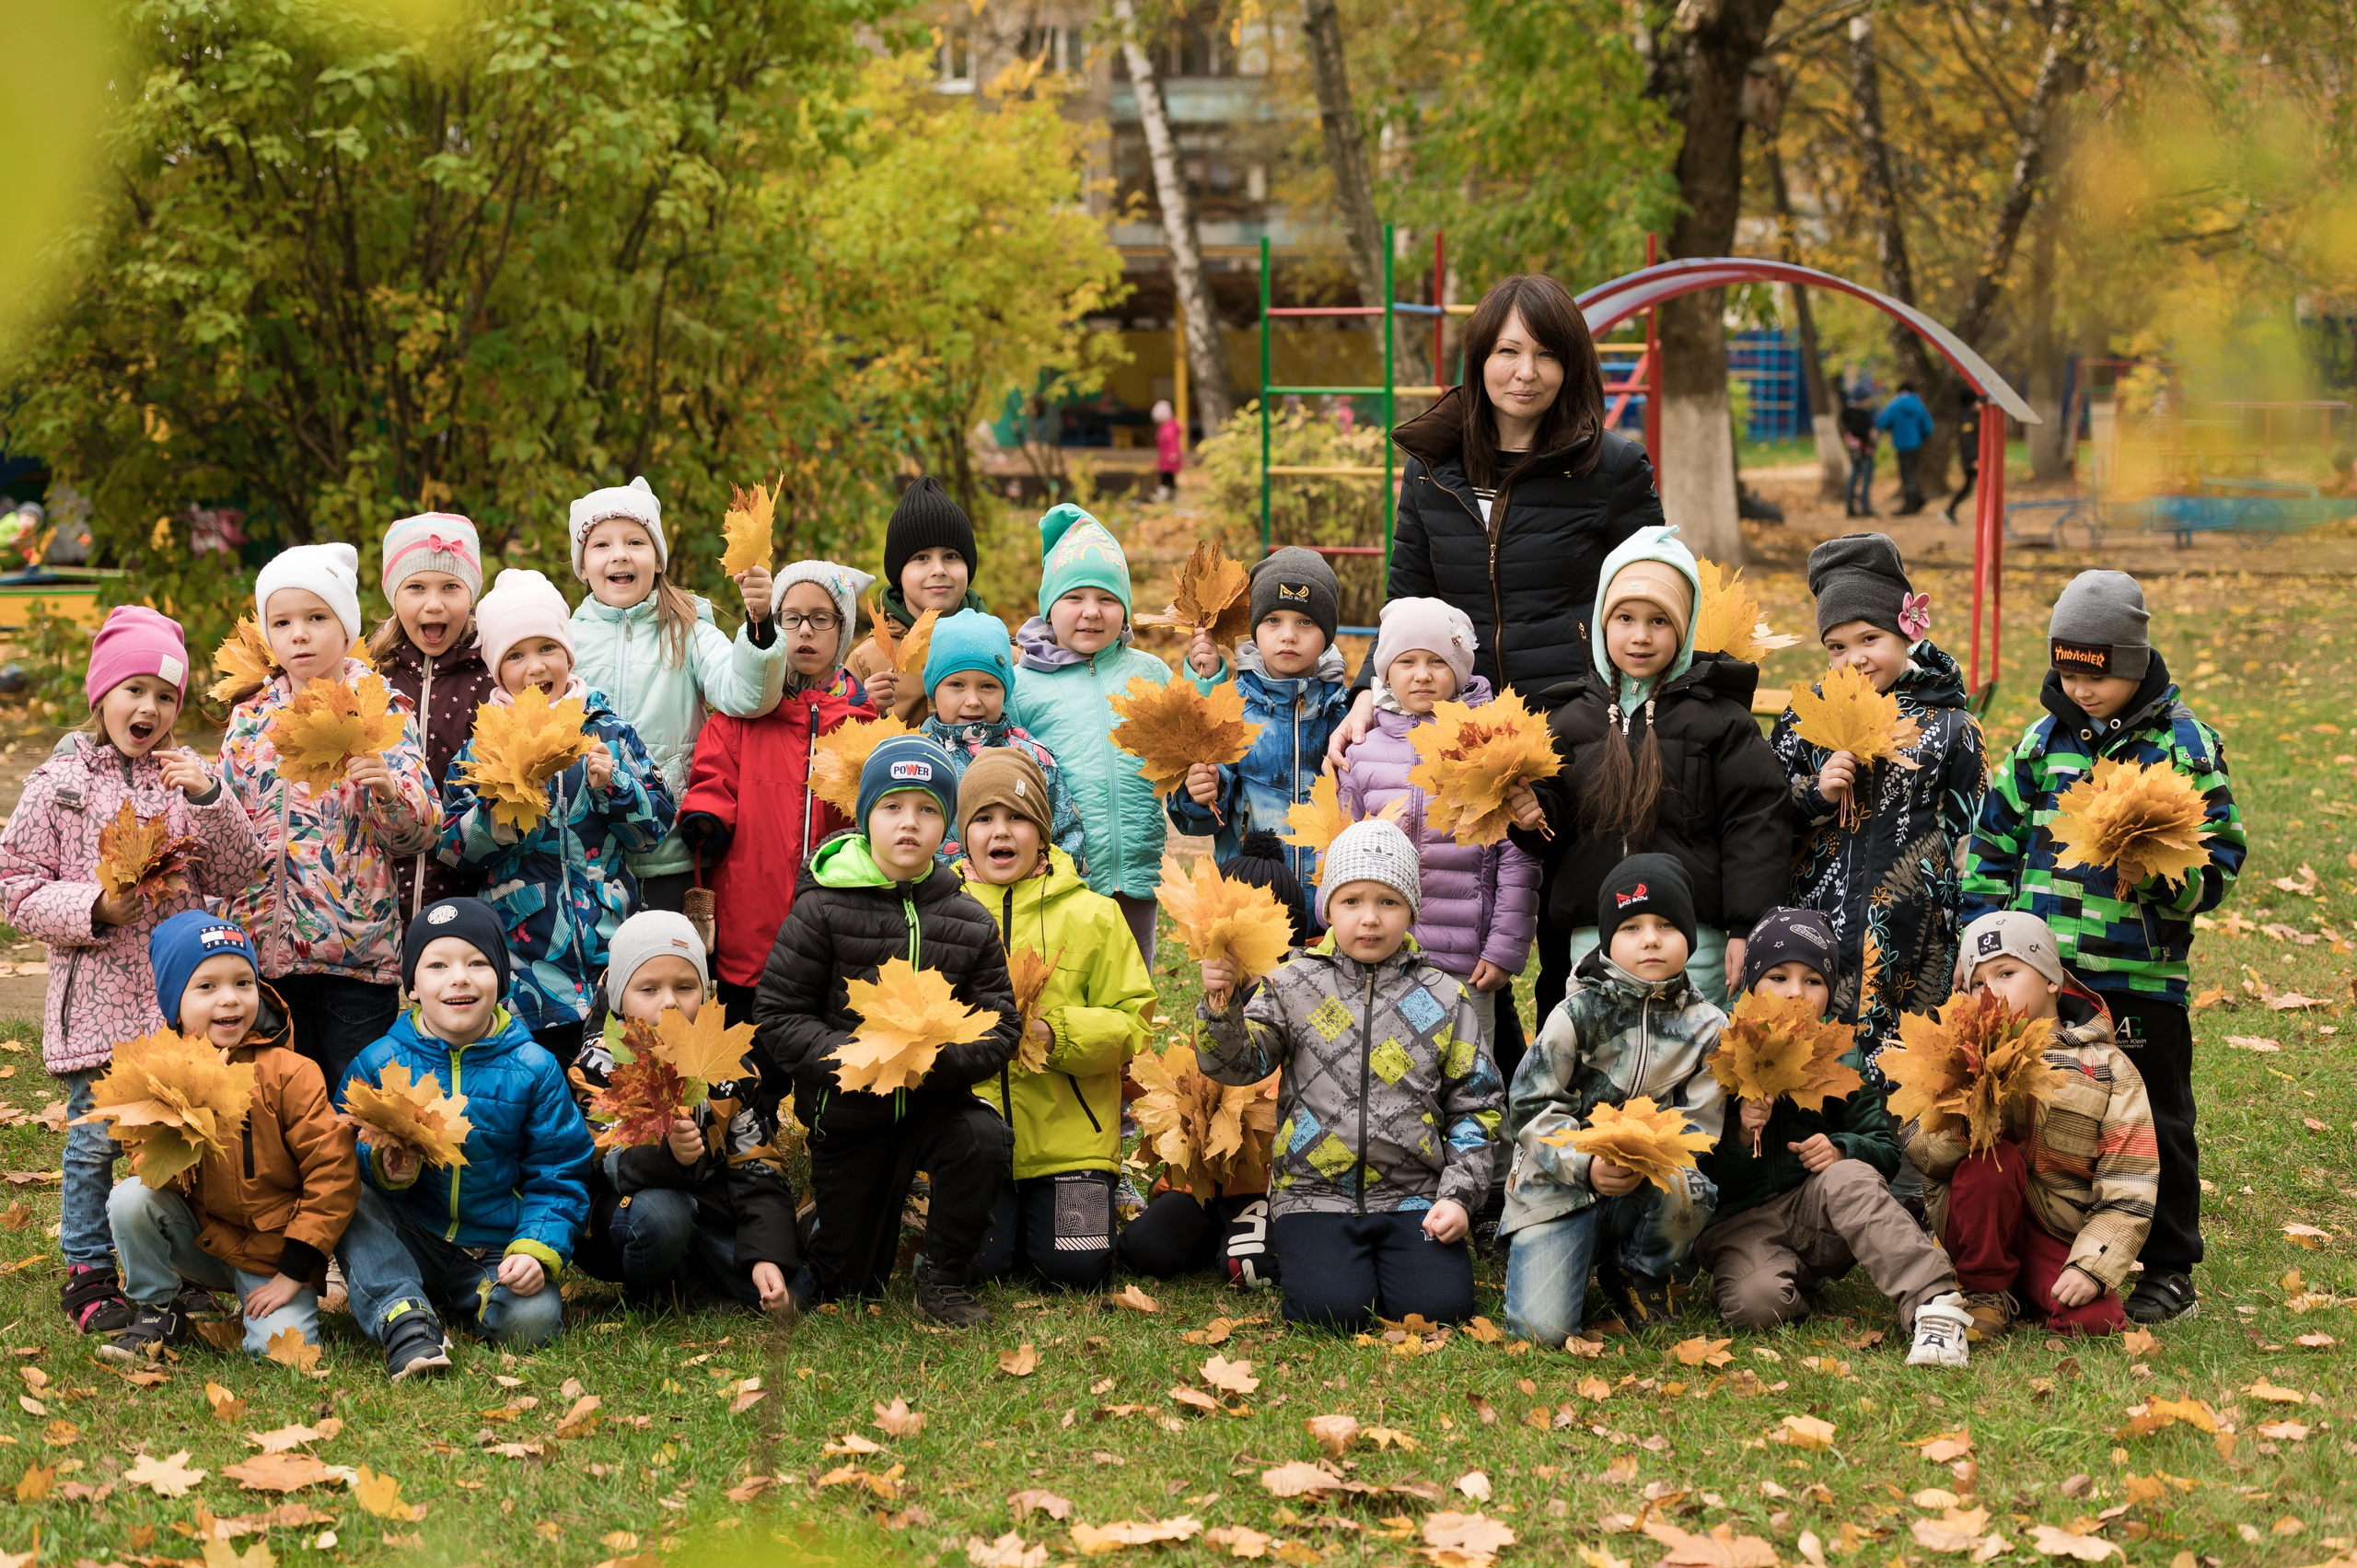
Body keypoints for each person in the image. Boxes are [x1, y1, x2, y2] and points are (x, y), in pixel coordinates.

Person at [1327, 274, 1666, 1074]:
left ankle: (1564, 1098)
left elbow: (1651, 587)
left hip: (1572, 726)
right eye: (1508, 351)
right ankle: (1482, 1090)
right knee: (1460, 920)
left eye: (1546, 354)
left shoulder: (1611, 468)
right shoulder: (1433, 466)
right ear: (1479, 359)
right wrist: (1368, 697)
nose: (1525, 371)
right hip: (1453, 732)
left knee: (1561, 921)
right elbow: (1406, 597)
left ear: (1572, 365)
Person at [1958, 571, 2243, 1325]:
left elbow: (2220, 861)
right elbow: (1993, 839)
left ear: (2133, 661)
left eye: (2098, 672)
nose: (2081, 687)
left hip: (2139, 976)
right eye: (2067, 670)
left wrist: (2159, 879)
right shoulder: (2040, 742)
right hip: (2048, 974)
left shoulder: (2184, 744)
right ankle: (2050, 1241)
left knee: (2155, 1117)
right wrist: (1983, 931)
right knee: (2049, 1110)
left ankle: (2170, 1262)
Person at [0, 607, 265, 1336]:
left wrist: (212, 799)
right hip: (96, 1007)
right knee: (93, 1144)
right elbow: (13, 881)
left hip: (177, 1008)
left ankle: (177, 1264)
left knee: (180, 1142)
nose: (146, 707)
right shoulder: (59, 783)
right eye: (133, 689)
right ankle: (87, 1271)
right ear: (101, 693)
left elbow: (241, 869)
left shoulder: (187, 782)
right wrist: (93, 906)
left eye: (164, 695)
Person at [752, 736, 1021, 1326]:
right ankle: (825, 1223)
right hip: (851, 1115)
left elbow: (1001, 1022)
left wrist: (939, 1061)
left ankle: (945, 1276)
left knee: (983, 1138)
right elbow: (778, 1014)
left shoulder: (968, 917)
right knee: (848, 1285)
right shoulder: (823, 907)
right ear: (866, 815)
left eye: (927, 810)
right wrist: (858, 1058)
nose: (909, 823)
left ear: (945, 826)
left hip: (934, 1104)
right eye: (892, 807)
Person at [1196, 818, 1503, 1330]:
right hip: (1314, 1193)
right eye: (1352, 901)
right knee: (1327, 1312)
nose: (1369, 919)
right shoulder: (1292, 984)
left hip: (1413, 1195)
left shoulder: (1445, 996)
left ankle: (1399, 1262)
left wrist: (1458, 1197)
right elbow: (1237, 1064)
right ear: (1328, 908)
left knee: (1441, 1311)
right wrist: (1221, 1005)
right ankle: (1311, 1255)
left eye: (1388, 902)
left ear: (1411, 910)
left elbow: (1477, 1105)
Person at [1504, 526, 1789, 1010]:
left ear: (1685, 627)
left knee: (1691, 1059)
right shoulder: (1569, 720)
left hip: (1692, 940)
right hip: (1597, 935)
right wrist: (1533, 816)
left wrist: (1746, 925)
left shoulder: (1719, 720)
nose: (1640, 636)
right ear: (1601, 622)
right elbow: (1556, 823)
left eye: (1659, 621)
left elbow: (1755, 821)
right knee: (1600, 1060)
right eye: (1625, 618)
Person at [1692, 910, 1974, 1367]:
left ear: (1830, 990)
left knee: (1850, 1178)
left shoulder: (1839, 1053)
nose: (1795, 993)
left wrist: (1842, 1147)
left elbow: (1883, 1150)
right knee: (1757, 1306)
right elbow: (1696, 1170)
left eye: (1813, 981)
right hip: (1735, 1223)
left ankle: (1933, 1303)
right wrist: (1742, 1131)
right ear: (1749, 982)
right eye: (1778, 977)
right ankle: (1775, 1278)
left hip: (1814, 1206)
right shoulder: (1716, 1045)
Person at [337, 899, 595, 1374]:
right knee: (348, 1196)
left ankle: (476, 1298)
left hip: (492, 1248)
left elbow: (559, 1172)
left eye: (477, 963)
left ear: (500, 978)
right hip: (409, 1233)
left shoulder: (534, 1068)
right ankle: (404, 1313)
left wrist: (536, 1249)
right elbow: (342, 1148)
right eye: (437, 965)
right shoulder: (378, 1063)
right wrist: (382, 1166)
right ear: (412, 985)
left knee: (533, 1320)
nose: (459, 978)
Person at [218, 543, 441, 1094]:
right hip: (266, 952)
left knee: (354, 1099)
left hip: (354, 953)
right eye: (283, 621)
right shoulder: (249, 719)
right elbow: (226, 827)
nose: (300, 634)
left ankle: (362, 1183)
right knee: (277, 1102)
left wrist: (388, 792)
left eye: (317, 618)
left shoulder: (381, 709)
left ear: (346, 629)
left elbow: (423, 831)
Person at [438, 569, 674, 1068]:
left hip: (610, 955)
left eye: (547, 648)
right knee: (542, 1088)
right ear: (497, 669)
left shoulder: (608, 731)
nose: (535, 666)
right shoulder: (482, 747)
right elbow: (454, 850)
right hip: (528, 965)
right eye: (516, 655)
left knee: (614, 1096)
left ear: (568, 654)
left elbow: (654, 829)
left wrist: (614, 787)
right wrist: (500, 814)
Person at [98, 913, 357, 1365]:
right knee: (129, 1200)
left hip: (273, 1255)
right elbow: (145, 1164)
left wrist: (293, 1272)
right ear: (174, 1003)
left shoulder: (291, 1072)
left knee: (282, 1356)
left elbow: (332, 1171)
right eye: (207, 987)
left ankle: (270, 1303)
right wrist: (167, 1144)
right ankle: (159, 1307)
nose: (230, 999)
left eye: (243, 982)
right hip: (205, 1240)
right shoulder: (159, 1075)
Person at [1769, 536, 1984, 1063]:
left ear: (1906, 632)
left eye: (1870, 638)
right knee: (1821, 1062)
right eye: (1837, 648)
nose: (1855, 659)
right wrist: (1815, 794)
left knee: (1910, 1061)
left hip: (1917, 936)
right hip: (1816, 929)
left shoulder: (1952, 729)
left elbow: (1973, 839)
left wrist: (1971, 930)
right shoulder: (1803, 723)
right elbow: (1764, 817)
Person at [1499, 855, 1725, 1346]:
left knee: (1691, 1188)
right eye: (1631, 926)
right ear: (1606, 939)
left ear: (1690, 934)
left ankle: (1638, 1270)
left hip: (1648, 1180)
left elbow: (1700, 1125)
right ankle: (1556, 1249)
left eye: (1667, 924)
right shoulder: (1575, 1014)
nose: (1650, 938)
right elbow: (1530, 1105)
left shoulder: (1708, 1028)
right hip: (1558, 1183)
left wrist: (1644, 1158)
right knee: (1542, 1331)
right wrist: (1586, 1162)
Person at [1905, 913, 2155, 1340]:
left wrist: (2092, 1268)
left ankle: (2026, 1288)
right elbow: (1919, 1149)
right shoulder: (1953, 1056)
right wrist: (1968, 1129)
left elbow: (2131, 1179)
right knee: (1994, 1160)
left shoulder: (2108, 1067)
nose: (1993, 992)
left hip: (2055, 1229)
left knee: (2096, 1322)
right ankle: (1985, 1290)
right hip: (1974, 1222)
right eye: (1978, 984)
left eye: (2007, 972)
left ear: (2052, 979)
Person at [959, 750, 1154, 1291]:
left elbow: (1133, 1023)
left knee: (1077, 1272)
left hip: (1075, 1143)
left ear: (1042, 832)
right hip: (977, 1146)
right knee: (980, 1268)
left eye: (1017, 817)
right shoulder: (942, 912)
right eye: (984, 818)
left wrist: (1056, 1034)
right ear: (964, 833)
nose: (1002, 831)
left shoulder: (1095, 914)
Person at [567, 475, 784, 912]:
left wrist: (760, 627)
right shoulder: (565, 639)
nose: (620, 554)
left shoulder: (688, 631)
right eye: (602, 545)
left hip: (669, 851)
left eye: (635, 542)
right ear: (583, 565)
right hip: (587, 852)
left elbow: (746, 694)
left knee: (665, 975)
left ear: (659, 559)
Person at [678, 561, 877, 1020]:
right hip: (750, 918)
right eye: (791, 618)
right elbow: (713, 770)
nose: (805, 631)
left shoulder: (862, 726)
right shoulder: (741, 716)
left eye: (821, 618)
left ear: (842, 630)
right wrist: (706, 812)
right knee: (747, 1054)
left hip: (833, 925)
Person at [1337, 597, 1538, 1050]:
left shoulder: (1489, 749)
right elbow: (1337, 847)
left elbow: (1517, 859)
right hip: (1381, 953)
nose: (1422, 674)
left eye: (1437, 661)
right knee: (1393, 1069)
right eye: (1406, 661)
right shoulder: (1361, 750)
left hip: (1465, 959)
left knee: (1469, 1069)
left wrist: (1504, 947)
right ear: (1386, 672)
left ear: (1461, 670)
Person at [571, 912, 796, 1313]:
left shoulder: (732, 1070)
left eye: (685, 986)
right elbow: (599, 1159)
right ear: (621, 996)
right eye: (648, 988)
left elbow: (756, 1164)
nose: (670, 1001)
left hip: (705, 1207)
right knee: (663, 1214)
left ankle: (698, 1280)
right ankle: (659, 1290)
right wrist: (667, 1154)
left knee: (795, 1289)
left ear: (705, 993)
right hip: (622, 1214)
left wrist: (767, 1255)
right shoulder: (600, 1066)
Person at [1117, 831, 1296, 1289]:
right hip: (1201, 1182)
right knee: (1142, 1251)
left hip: (1260, 1184)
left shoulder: (1295, 1005)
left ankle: (1246, 1235)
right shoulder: (1213, 1002)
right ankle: (1208, 1234)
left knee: (1250, 1271)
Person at [1012, 505, 1173, 964]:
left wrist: (1204, 680)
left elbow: (1191, 744)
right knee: (1069, 984)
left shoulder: (1151, 674)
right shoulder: (1024, 685)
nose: (1090, 612)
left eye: (1106, 598)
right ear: (1048, 608)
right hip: (1062, 873)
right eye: (1073, 597)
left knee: (1134, 985)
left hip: (1138, 868)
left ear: (1123, 608)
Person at [1169, 547, 1353, 891]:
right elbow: (1196, 821)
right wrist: (1202, 794)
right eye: (1273, 620)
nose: (1288, 635)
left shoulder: (1343, 715)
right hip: (1248, 896)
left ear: (1327, 634)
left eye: (1306, 622)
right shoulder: (1231, 708)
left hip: (1328, 902)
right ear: (1255, 628)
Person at [370, 512, 498, 917]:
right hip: (379, 894)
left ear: (471, 595)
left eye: (450, 587)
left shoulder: (494, 679)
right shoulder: (370, 678)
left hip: (472, 890)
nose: (434, 603)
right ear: (394, 596)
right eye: (416, 588)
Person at [918, 609, 1086, 868]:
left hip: (1022, 903)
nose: (973, 701)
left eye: (988, 686)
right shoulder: (917, 756)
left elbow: (1067, 835)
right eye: (956, 685)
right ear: (933, 690)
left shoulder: (1032, 757)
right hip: (938, 903)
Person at [846, 476, 990, 726]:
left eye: (951, 556)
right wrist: (862, 706)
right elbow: (834, 744)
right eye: (921, 558)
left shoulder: (997, 648)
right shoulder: (867, 661)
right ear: (898, 574)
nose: (938, 569)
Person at [1874, 381, 1933, 515]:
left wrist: (1894, 428)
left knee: (1907, 474)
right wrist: (1921, 436)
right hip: (1916, 443)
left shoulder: (1894, 404)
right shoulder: (1918, 404)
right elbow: (1928, 426)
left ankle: (1910, 505)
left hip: (1901, 443)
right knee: (1913, 472)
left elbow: (1882, 422)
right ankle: (1918, 500)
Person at [1840, 388, 1878, 518]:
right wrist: (1870, 434)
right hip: (1864, 450)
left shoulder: (1846, 413)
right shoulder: (1859, 414)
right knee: (1866, 478)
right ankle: (1865, 507)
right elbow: (1860, 431)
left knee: (1854, 476)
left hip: (1854, 451)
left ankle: (1850, 506)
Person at [1943, 398, 1981, 525]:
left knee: (1968, 488)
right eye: (1978, 402)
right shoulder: (1967, 419)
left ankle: (1950, 510)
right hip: (1972, 460)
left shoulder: (1975, 416)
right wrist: (1974, 459)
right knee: (1969, 488)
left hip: (1976, 459)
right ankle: (1949, 510)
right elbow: (1967, 442)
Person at [1153, 399, 1183, 502]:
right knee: (1170, 477)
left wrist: (1173, 453)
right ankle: (1173, 496)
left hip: (1169, 458)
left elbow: (1172, 442)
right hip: (1165, 457)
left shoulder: (1168, 429)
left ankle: (1163, 496)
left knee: (1165, 476)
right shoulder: (1166, 427)